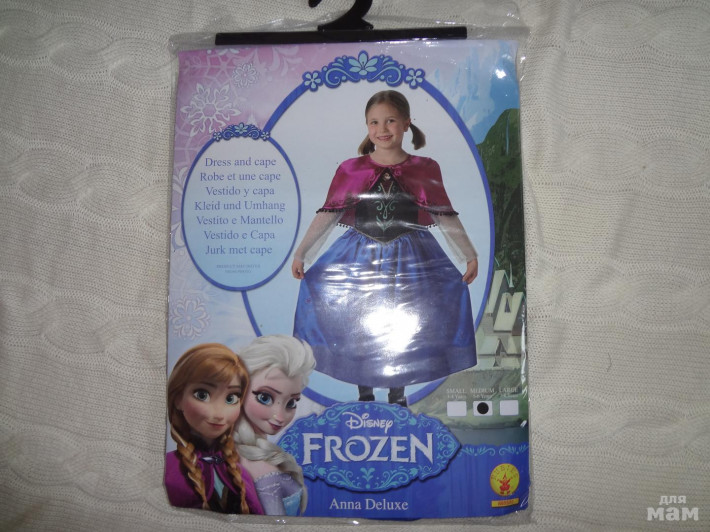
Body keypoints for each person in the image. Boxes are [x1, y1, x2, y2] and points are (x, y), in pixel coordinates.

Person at [291, 90, 478, 406]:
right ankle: (365, 392)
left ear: (406, 123)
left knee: (403, 322)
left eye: (390, 120)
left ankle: (397, 394)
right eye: (374, 122)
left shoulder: (425, 168)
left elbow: (443, 214)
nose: (382, 129)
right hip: (360, 257)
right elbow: (329, 213)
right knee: (359, 320)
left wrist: (469, 255)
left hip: (411, 258)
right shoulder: (351, 169)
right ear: (366, 126)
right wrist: (302, 253)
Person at [165, 343, 263, 514]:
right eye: (202, 395)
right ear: (178, 398)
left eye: (231, 398)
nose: (219, 414)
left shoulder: (239, 473)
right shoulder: (169, 471)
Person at [234, 335, 316, 516]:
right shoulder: (264, 473)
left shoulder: (240, 455)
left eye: (291, 403)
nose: (279, 417)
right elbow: (274, 527)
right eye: (264, 397)